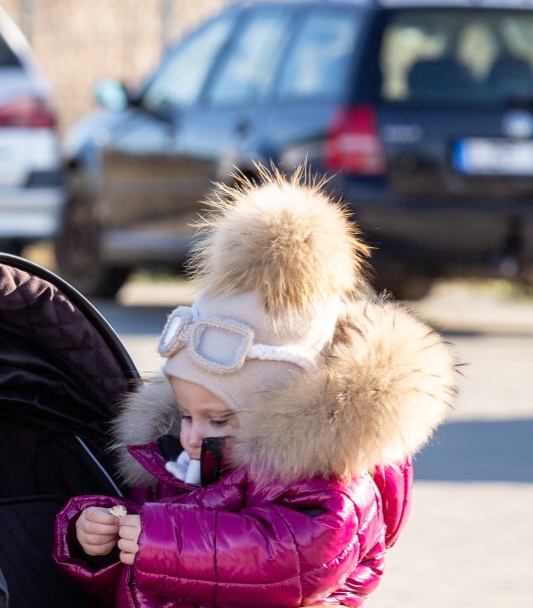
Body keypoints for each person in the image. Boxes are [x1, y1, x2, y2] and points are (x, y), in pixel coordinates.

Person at [52, 173, 458, 607]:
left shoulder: (328, 480)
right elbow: (147, 559)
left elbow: (294, 558)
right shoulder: (185, 461)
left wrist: (155, 542)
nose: (190, 434)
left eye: (217, 418)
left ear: (279, 408)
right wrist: (100, 538)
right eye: (187, 414)